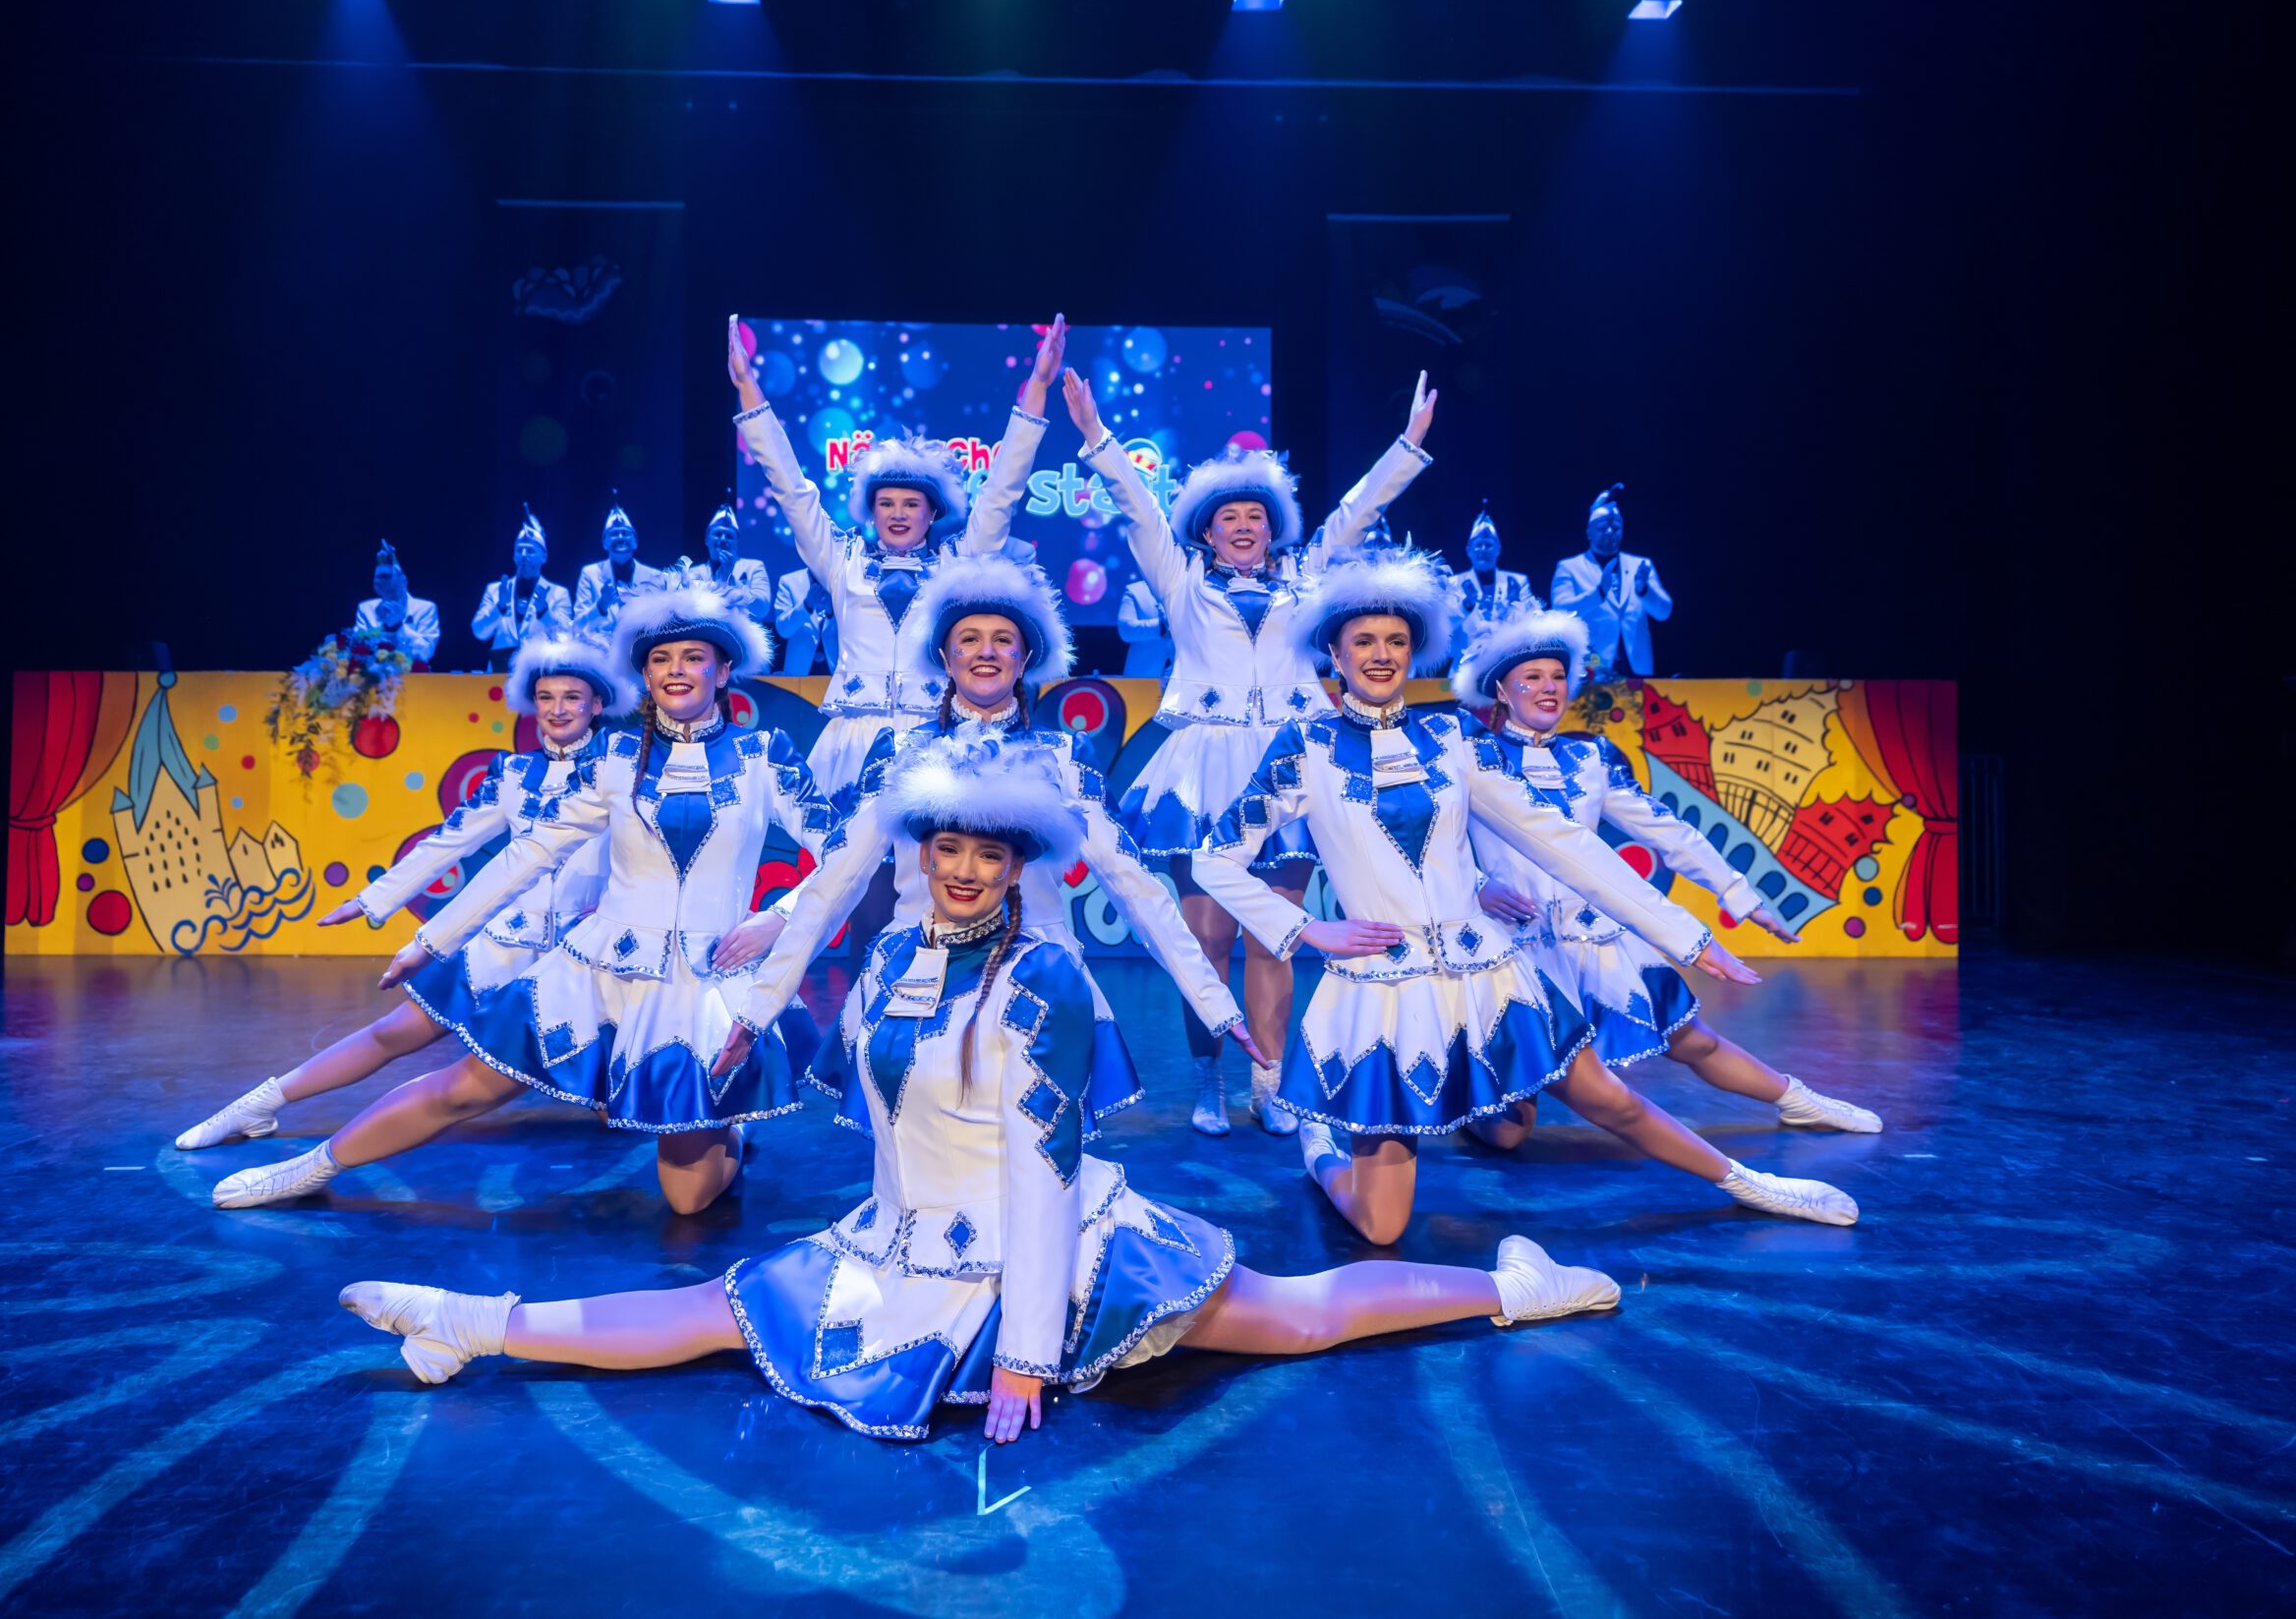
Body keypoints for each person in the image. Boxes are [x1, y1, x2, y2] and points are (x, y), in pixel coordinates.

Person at [337, 735, 1626, 1442]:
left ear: (1019, 868)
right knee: (713, 1310)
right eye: (946, 848)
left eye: (986, 856)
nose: (962, 870)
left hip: (1050, 1256)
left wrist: (1023, 1352)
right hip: (899, 1245)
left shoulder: (1048, 980)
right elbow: (889, 1124)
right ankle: (474, 1322)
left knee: (1291, 1317)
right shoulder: (888, 957)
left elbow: (1043, 1169)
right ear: (923, 854)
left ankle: (1513, 1286)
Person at [1190, 549, 1860, 1244]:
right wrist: (1306, 928)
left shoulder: (1450, 736)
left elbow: (1565, 845)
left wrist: (1686, 937)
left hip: (1492, 976)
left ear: (1413, 652)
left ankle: (1750, 1182)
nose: (1381, 655)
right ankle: (1321, 1151)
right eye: (1364, 641)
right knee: (1382, 1228)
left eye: (1396, 641)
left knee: (1611, 1100)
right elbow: (1212, 858)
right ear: (1335, 653)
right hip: (1384, 992)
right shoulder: (1304, 745)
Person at [208, 586, 830, 1215]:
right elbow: (525, 856)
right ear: (645, 675)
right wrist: (431, 941)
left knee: (688, 1200)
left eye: (694, 657)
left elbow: (843, 854)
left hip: (703, 985)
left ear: (722, 671)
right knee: (463, 1090)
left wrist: (778, 919)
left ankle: (729, 1128)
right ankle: (311, 1167)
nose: (677, 670)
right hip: (596, 972)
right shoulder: (614, 759)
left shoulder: (764, 756)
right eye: (661, 659)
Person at [710, 552, 1266, 1127]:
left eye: (1003, 640)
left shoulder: (1062, 757)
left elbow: (1135, 887)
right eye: (969, 639)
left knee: (1033, 1162)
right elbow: (836, 882)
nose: (986, 652)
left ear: (1025, 658)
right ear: (945, 658)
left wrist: (1213, 1001)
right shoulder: (901, 753)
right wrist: (760, 1008)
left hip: (1036, 982)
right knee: (917, 1161)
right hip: (916, 978)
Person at [1066, 367, 1437, 1136]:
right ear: (1205, 530)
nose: (1243, 527)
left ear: (1273, 528)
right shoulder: (1180, 580)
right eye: (1228, 517)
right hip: (1203, 773)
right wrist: (1096, 434)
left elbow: (1357, 513)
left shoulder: (1307, 577)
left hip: (1288, 769)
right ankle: (1209, 1080)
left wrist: (1407, 444)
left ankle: (1268, 1082)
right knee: (1208, 938)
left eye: (1255, 517)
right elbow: (1137, 506)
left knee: (1278, 935)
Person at [175, 632, 619, 1154]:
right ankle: (256, 1105)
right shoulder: (514, 773)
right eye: (546, 697)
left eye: (572, 697)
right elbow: (448, 842)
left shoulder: (623, 771)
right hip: (505, 943)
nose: (558, 709)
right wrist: (371, 901)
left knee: (619, 1096)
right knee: (393, 1033)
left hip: (587, 952)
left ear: (597, 704)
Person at [1450, 608, 1882, 1145]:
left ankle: (1799, 1100)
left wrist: (1740, 895)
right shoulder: (1471, 758)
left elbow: (1669, 831)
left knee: (1694, 1041)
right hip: (1518, 949)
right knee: (1510, 1134)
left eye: (1557, 676)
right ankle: (1470, 1098)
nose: (1548, 688)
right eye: (1532, 677)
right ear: (1501, 690)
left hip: (1595, 939)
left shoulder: (1588, 759)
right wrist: (1478, 886)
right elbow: (1432, 840)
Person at [728, 312, 1066, 808]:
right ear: (871, 511)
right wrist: (748, 390)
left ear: (933, 512)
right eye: (886, 503)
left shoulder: (956, 564)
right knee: (842, 852)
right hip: (851, 738)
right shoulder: (841, 559)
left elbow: (1002, 491)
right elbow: (791, 488)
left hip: (937, 737)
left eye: (911, 503)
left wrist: (1038, 386)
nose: (898, 514)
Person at [1549, 487, 1670, 676]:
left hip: (1637, 669)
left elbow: (1664, 612)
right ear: (1589, 532)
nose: (1610, 531)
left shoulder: (1640, 565)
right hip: (1592, 668)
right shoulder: (1569, 567)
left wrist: (1644, 590)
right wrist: (1598, 594)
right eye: (1602, 527)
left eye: (1616, 527)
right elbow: (1560, 611)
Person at [474, 510, 574, 666]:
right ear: (514, 555)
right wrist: (499, 607)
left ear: (544, 557)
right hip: (498, 674)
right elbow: (479, 632)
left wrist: (544, 612)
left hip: (539, 673)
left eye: (530, 550)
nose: (524, 554)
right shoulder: (495, 590)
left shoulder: (559, 593)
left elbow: (566, 636)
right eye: (519, 550)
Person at [573, 500, 659, 638]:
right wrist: (601, 605)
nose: (620, 537)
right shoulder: (589, 573)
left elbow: (660, 624)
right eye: (614, 534)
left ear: (635, 541)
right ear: (604, 542)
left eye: (625, 533)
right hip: (600, 649)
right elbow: (578, 627)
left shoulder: (653, 576)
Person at [1454, 508, 1539, 644]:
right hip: (1465, 655)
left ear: (1498, 549)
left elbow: (1532, 622)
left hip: (1506, 653)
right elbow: (1444, 626)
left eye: (1488, 545)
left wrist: (1515, 602)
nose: (1483, 549)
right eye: (1478, 545)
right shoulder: (1454, 582)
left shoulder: (1518, 581)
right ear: (1468, 550)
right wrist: (1466, 605)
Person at [683, 503, 774, 628]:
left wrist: (731, 580)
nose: (723, 539)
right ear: (706, 540)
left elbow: (762, 608)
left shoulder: (754, 567)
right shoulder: (693, 573)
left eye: (729, 536)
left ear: (737, 543)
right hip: (707, 636)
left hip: (743, 637)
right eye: (717, 534)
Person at [353, 540, 441, 665]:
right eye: (376, 577)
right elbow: (358, 649)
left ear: (403, 581)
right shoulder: (365, 608)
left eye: (385, 576)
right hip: (373, 674)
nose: (378, 581)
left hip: (414, 674)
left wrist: (398, 627)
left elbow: (425, 652)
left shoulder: (425, 608)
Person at [772, 566, 836, 675]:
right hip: (799, 672)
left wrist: (831, 614)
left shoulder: (844, 581)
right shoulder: (789, 581)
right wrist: (807, 606)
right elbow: (783, 629)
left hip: (836, 671)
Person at [1115, 575, 1171, 678]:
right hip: (1143, 679)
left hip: (1187, 677)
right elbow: (1125, 629)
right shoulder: (1135, 590)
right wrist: (1162, 626)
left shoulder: (1194, 590)